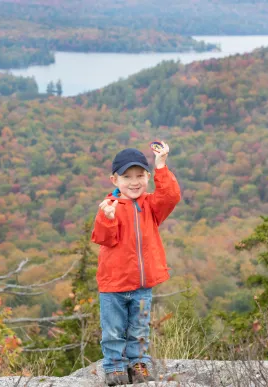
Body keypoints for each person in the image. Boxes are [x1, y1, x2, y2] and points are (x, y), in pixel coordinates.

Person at [91, 142, 181, 386]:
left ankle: (138, 363)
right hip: (113, 285)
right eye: (126, 176)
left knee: (139, 329)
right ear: (114, 179)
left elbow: (171, 196)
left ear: (147, 177)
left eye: (140, 175)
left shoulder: (151, 205)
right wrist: (107, 218)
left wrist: (161, 166)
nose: (134, 182)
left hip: (142, 285)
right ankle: (115, 367)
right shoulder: (109, 206)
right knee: (112, 331)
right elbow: (102, 238)